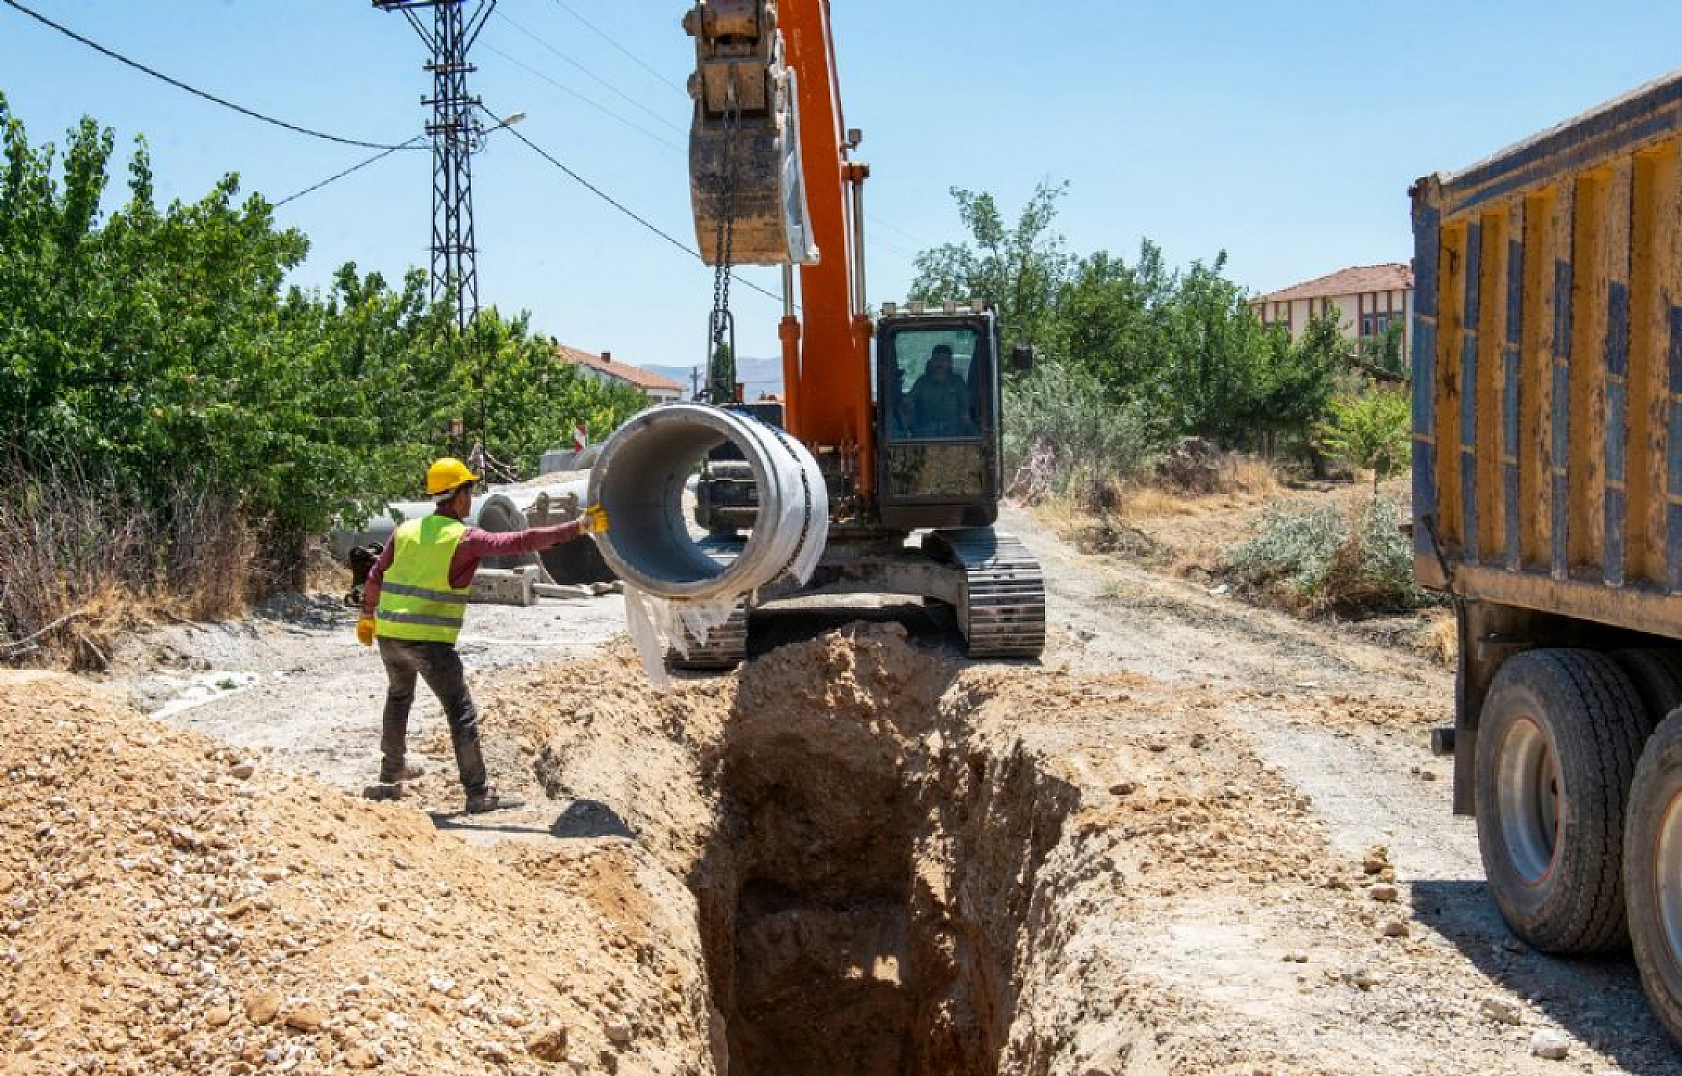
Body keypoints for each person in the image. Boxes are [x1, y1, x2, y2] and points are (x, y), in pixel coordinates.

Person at [356, 457, 609, 813]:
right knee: (459, 710)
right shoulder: (464, 538)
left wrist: (367, 615)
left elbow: (376, 576)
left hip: (390, 635)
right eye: (469, 490)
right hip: (429, 642)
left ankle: (390, 778)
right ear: (457, 496)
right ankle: (477, 794)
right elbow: (521, 540)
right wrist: (578, 527)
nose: (471, 498)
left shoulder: (406, 531)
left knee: (399, 698)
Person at [905, 345, 975, 437]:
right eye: (937, 359)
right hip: (925, 432)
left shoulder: (957, 382)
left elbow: (966, 405)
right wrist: (907, 407)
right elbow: (909, 401)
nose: (940, 363)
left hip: (954, 433)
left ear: (950, 363)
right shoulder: (922, 382)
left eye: (944, 359)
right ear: (931, 361)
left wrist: (966, 422)